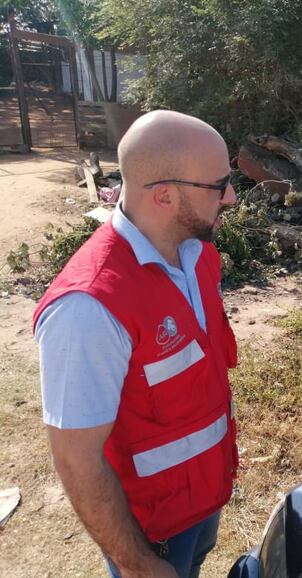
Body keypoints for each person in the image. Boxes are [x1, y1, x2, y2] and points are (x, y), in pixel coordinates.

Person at [33, 110, 239, 577]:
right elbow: (76, 458)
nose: (230, 197)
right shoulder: (88, 308)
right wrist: (138, 563)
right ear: (164, 195)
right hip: (152, 529)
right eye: (218, 185)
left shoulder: (198, 252)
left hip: (204, 494)